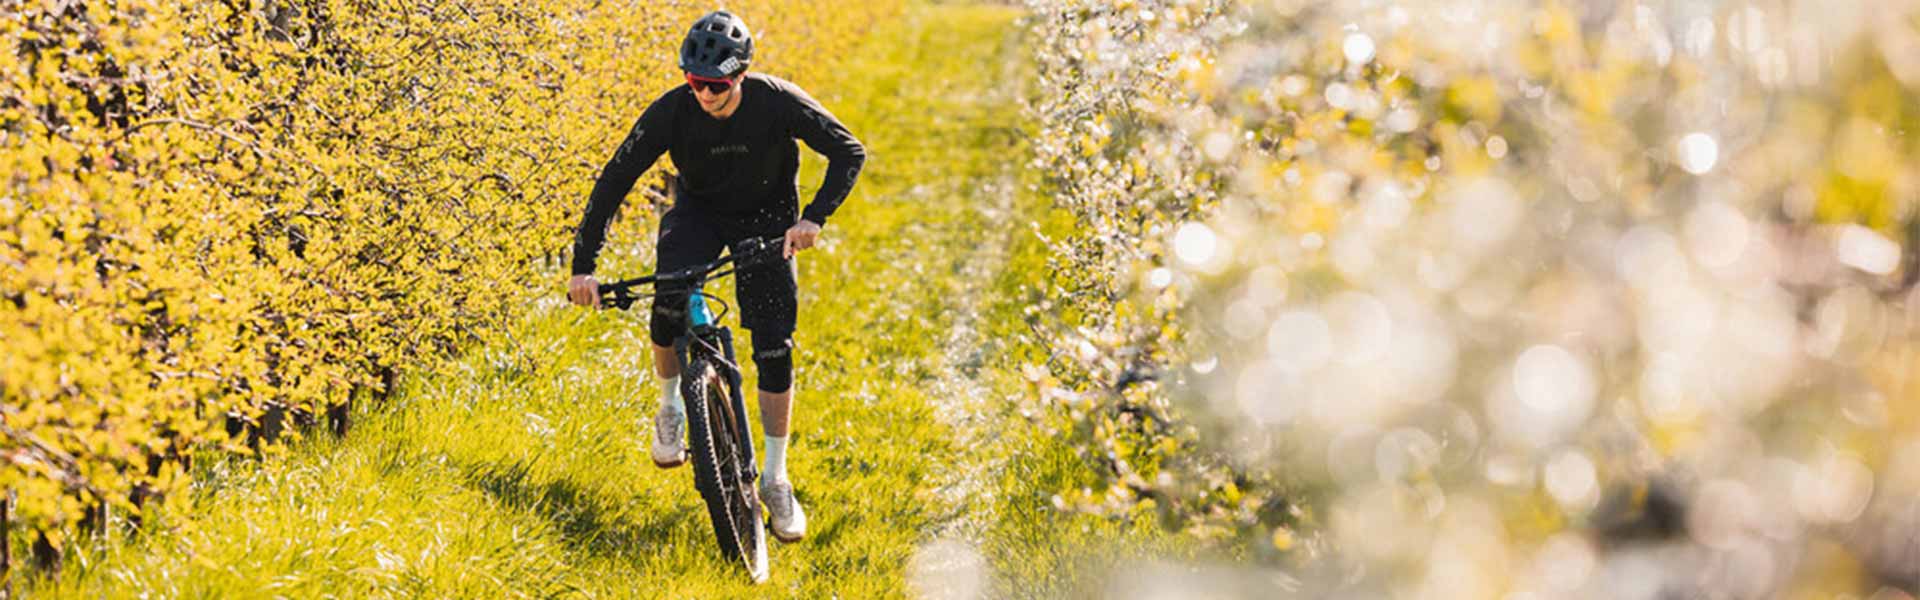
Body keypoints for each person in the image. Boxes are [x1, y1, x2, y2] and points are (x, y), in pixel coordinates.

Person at [565, 10, 866, 545]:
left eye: (717, 86)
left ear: (740, 76)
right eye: (696, 83)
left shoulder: (779, 101)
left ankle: (775, 479)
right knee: (667, 302)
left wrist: (813, 218)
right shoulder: (673, 112)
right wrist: (583, 267)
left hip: (769, 219)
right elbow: (615, 179)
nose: (705, 95)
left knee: (773, 346)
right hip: (699, 213)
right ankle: (670, 409)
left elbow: (848, 152)